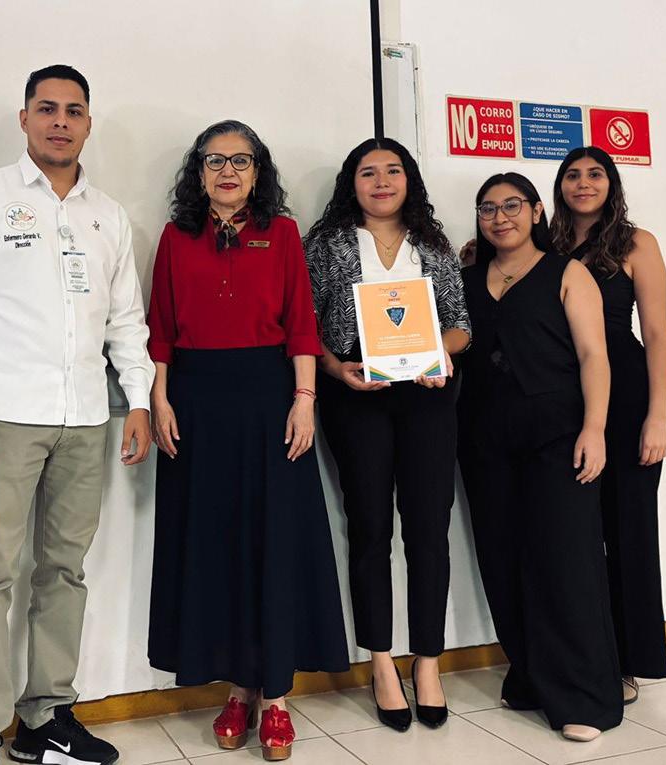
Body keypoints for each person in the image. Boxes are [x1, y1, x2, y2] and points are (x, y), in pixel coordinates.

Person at [0, 65, 154, 765]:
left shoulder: (107, 214)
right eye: (47, 108)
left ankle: (45, 716)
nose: (60, 121)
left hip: (86, 418)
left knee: (64, 571)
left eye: (73, 110)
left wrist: (138, 399)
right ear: (24, 118)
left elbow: (126, 321)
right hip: (3, 415)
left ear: (88, 123)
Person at [146, 119, 349, 762]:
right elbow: (160, 329)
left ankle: (277, 697)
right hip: (196, 403)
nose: (227, 171)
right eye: (215, 161)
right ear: (198, 172)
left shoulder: (281, 233)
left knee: (274, 542)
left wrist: (305, 399)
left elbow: (301, 324)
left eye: (240, 160)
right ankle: (238, 689)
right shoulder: (176, 237)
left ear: (258, 171)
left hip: (271, 400)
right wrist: (159, 398)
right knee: (219, 544)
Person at [303, 137, 470, 732]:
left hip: (428, 397)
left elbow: (460, 324)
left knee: (428, 529)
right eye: (368, 172)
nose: (381, 182)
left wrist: (441, 354)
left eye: (392, 171)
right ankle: (380, 661)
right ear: (351, 183)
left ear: (409, 180)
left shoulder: (433, 242)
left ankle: (427, 662)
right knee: (370, 527)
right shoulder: (326, 244)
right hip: (357, 396)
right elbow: (304, 324)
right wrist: (333, 368)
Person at [456, 172, 622, 741]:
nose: (499, 217)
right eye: (487, 209)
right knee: (502, 557)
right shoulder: (465, 278)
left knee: (566, 560)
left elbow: (594, 356)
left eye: (511, 205)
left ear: (534, 212)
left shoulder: (567, 272)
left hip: (559, 432)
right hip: (483, 436)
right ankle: (530, 676)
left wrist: (595, 428)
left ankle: (584, 698)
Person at [550, 146, 666, 702]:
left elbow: (658, 333)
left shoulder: (636, 243)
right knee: (575, 535)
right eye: (572, 175)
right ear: (559, 187)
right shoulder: (545, 246)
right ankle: (583, 654)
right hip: (565, 399)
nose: (583, 183)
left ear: (612, 183)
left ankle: (628, 659)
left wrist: (657, 417)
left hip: (626, 401)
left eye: (595, 174)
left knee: (628, 531)